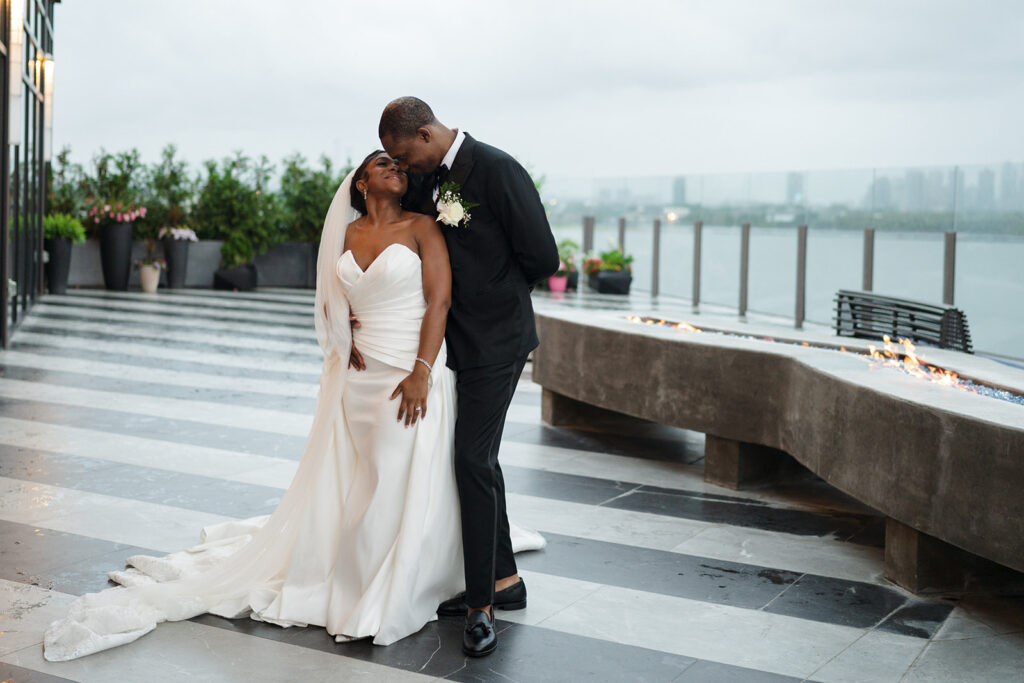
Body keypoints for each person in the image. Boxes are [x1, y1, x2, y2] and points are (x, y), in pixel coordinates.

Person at [42, 150, 544, 662]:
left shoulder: (423, 227)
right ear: (361, 183)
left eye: (399, 163)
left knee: (401, 473)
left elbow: (438, 300)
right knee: (360, 477)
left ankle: (401, 579)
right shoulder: (345, 238)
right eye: (381, 164)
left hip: (411, 373)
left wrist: (420, 370)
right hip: (360, 376)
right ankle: (354, 571)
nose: (395, 168)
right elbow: (334, 301)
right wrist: (343, 334)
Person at [378, 97, 560, 657]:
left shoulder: (499, 169)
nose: (404, 169)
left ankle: (480, 606)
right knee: (480, 459)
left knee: (471, 460)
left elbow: (544, 259)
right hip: (449, 343)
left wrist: (492, 296)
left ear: (429, 136)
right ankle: (505, 581)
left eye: (405, 156)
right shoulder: (423, 177)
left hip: (497, 343)